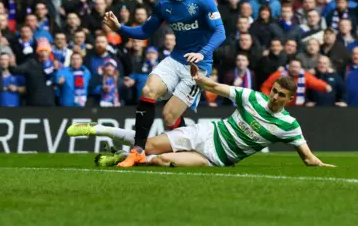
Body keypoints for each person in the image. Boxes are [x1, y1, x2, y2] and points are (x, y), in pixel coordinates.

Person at [68, 63, 335, 168]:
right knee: (148, 145)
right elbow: (217, 88)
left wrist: (322, 166)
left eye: (280, 95)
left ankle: (119, 157)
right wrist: (199, 78)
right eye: (274, 91)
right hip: (207, 133)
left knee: (161, 160)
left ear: (289, 99)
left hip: (216, 158)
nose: (274, 97)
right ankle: (97, 128)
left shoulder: (289, 125)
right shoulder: (252, 97)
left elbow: (308, 158)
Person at [103, 0, 226, 167]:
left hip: (198, 66)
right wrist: (120, 29)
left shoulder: (203, 1)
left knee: (169, 117)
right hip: (176, 59)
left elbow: (220, 32)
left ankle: (193, 149)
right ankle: (138, 150)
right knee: (148, 91)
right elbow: (145, 31)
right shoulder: (165, 5)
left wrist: (202, 53)